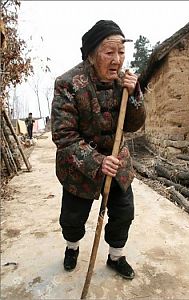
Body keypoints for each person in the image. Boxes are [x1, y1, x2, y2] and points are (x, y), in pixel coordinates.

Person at [51, 20, 146, 280]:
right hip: (80, 167)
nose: (117, 59)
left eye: (121, 52)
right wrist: (96, 162)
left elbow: (135, 124)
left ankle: (116, 255)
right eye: (109, 52)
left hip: (118, 163)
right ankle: (72, 247)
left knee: (123, 213)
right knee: (73, 218)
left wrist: (135, 93)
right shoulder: (68, 83)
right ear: (91, 55)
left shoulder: (123, 83)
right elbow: (64, 136)